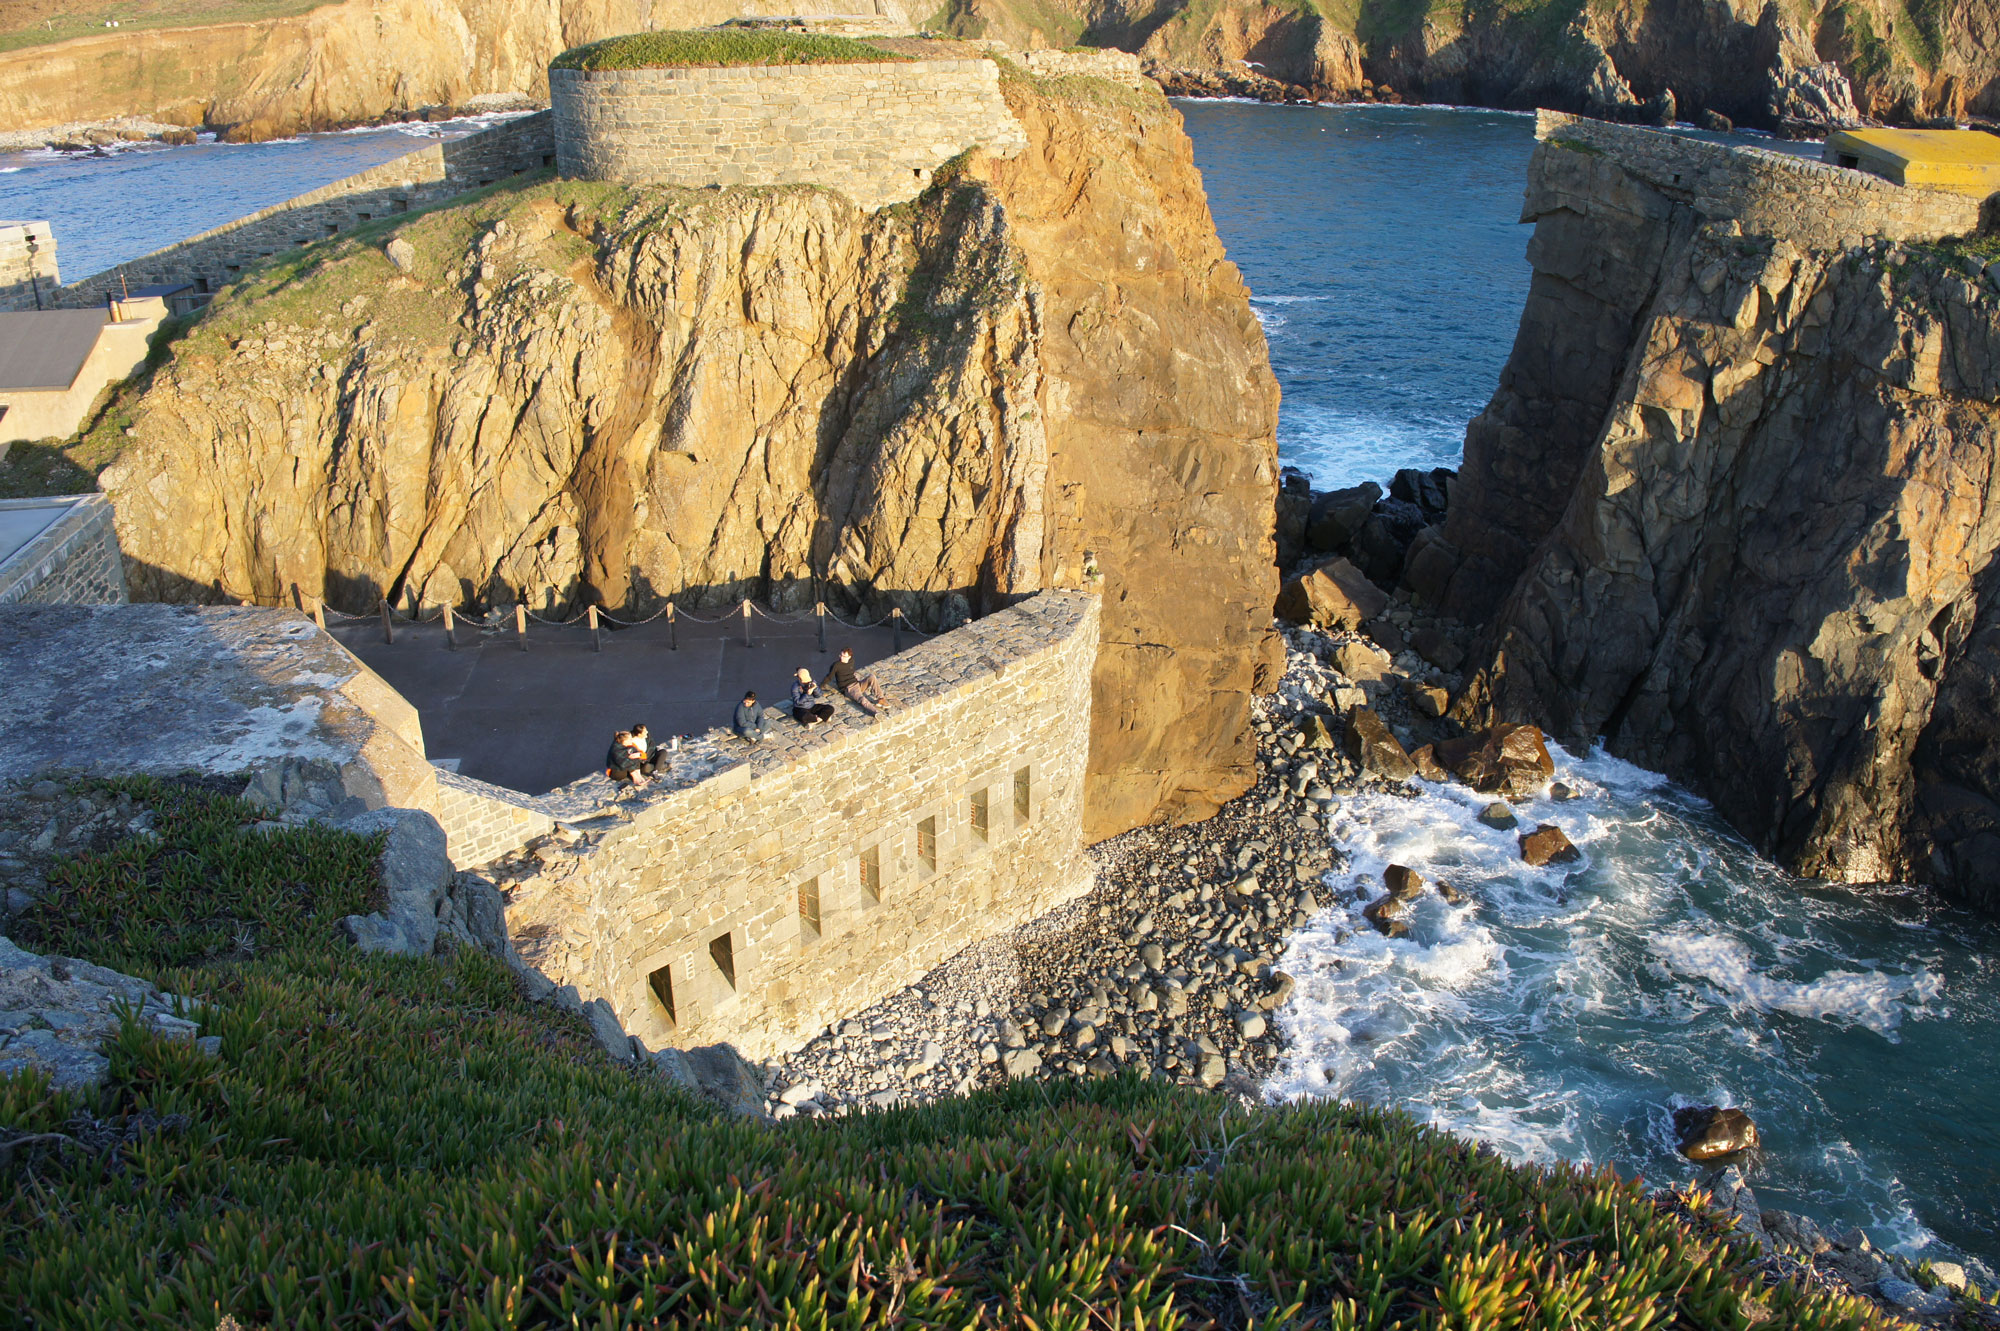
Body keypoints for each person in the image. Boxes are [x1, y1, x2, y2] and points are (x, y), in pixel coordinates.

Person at [823, 647, 891, 716]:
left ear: (849, 657)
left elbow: (851, 671)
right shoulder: (836, 665)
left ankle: (881, 699)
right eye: (840, 655)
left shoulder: (851, 661)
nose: (841, 658)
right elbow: (829, 677)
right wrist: (821, 686)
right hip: (849, 689)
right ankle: (876, 713)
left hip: (857, 684)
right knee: (862, 699)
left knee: (872, 677)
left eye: (844, 656)